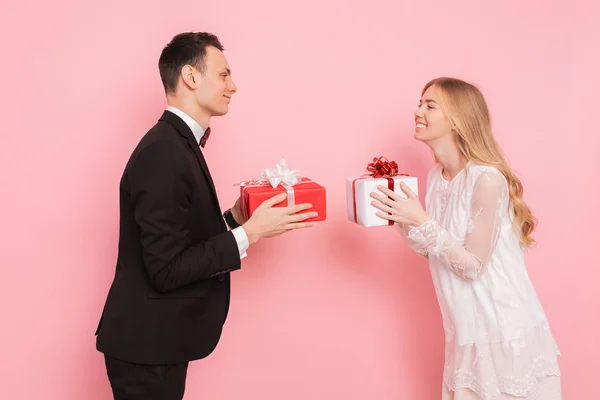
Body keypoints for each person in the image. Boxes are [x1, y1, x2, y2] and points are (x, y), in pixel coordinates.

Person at [94, 32, 318, 400]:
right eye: (224, 74)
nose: (234, 86)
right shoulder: (164, 152)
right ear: (191, 77)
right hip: (146, 349)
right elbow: (165, 269)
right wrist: (250, 235)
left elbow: (180, 237)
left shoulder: (176, 143)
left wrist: (234, 219)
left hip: (156, 345)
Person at [370, 77, 562, 399]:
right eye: (420, 102)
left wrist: (421, 219)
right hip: (467, 331)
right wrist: (403, 219)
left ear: (458, 120)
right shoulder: (436, 177)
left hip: (503, 330)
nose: (418, 110)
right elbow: (436, 252)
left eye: (431, 105)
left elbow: (472, 266)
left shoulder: (487, 180)